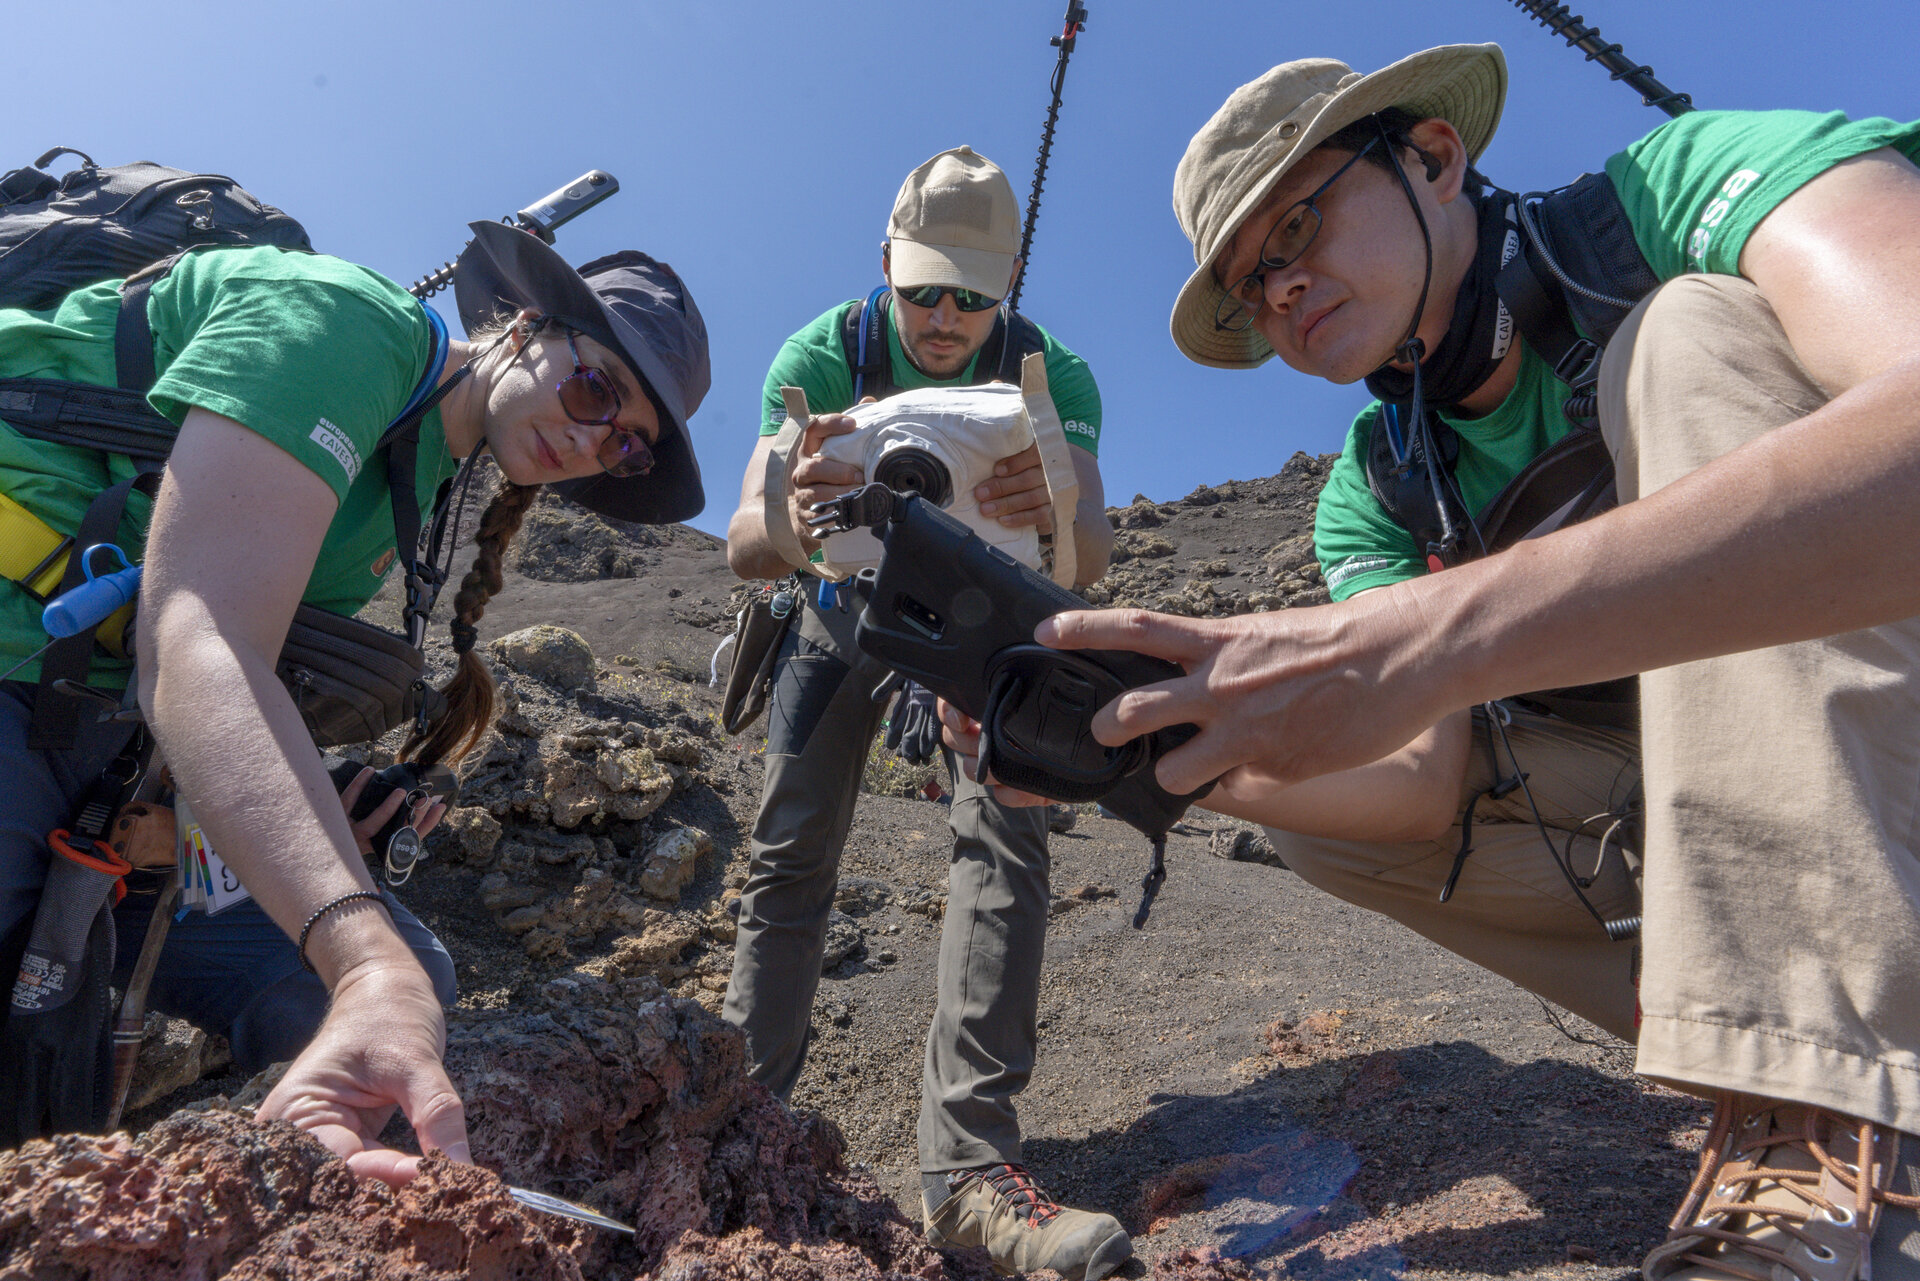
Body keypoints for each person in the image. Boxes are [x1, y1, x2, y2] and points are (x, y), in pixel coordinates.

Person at [947, 45, 1920, 1281]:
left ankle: (1841, 1128)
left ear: (1435, 157)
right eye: (1253, 286)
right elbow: (1409, 791)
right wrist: (1153, 748)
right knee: (1317, 818)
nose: (1283, 288)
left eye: (1296, 222)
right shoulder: (1378, 488)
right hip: (1737, 826)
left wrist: (1423, 636)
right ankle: (1766, 1046)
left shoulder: (1675, 194)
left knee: (1685, 337)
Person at [0, 218, 709, 1177]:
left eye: (626, 447)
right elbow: (195, 639)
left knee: (397, 988)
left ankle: (275, 1191)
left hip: (97, 748)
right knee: (370, 974)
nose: (593, 441)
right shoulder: (345, 322)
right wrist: (365, 958)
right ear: (527, 324)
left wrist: (320, 803)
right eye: (596, 389)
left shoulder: (422, 482)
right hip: (21, 687)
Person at [723, 146, 1128, 1279]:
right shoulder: (823, 353)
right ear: (883, 270)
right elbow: (741, 547)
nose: (944, 318)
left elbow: (1088, 552)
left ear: (1008, 290)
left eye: (972, 297)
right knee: (789, 850)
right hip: (837, 603)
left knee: (1006, 835)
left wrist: (1050, 502)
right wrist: (804, 508)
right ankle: (740, 1130)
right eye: (921, 291)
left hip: (978, 608)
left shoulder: (1054, 372)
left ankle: (968, 1177)